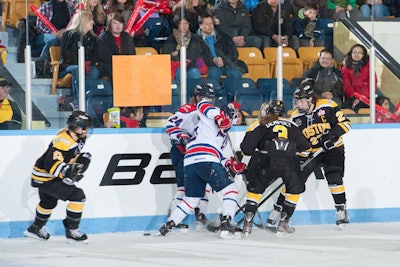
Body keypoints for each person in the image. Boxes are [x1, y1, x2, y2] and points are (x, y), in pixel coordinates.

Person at [159, 84, 247, 239]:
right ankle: (226, 224)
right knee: (231, 190)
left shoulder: (219, 136)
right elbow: (203, 105)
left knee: (191, 199)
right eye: (231, 119)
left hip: (191, 161)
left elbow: (217, 154)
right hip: (201, 158)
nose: (230, 124)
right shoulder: (208, 114)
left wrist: (230, 164)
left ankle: (169, 224)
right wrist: (220, 117)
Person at [267, 78, 352, 230]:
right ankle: (278, 210)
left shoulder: (328, 106)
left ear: (310, 99)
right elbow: (296, 140)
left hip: (333, 149)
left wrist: (331, 136)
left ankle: (341, 210)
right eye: (297, 101)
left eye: (301, 102)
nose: (298, 105)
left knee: (334, 176)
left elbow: (346, 124)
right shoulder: (296, 117)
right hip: (310, 153)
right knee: (293, 180)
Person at [240, 100, 311, 235]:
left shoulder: (260, 124)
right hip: (289, 163)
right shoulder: (292, 124)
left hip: (266, 161)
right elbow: (306, 148)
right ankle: (283, 224)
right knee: (294, 191)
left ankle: (247, 224)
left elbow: (247, 149)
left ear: (269, 111)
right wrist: (295, 158)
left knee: (256, 190)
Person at [24, 110, 94, 243]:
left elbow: (69, 157)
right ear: (75, 127)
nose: (87, 130)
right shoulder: (63, 142)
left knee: (48, 202)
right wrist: (67, 172)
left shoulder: (77, 138)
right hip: (46, 177)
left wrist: (77, 166)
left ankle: (35, 228)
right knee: (78, 197)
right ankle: (72, 231)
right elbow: (50, 165)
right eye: (84, 127)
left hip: (44, 176)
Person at [165, 86, 210, 227]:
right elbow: (171, 123)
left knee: (205, 184)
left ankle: (201, 214)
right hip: (182, 151)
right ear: (196, 97)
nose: (207, 100)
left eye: (209, 97)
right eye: (203, 97)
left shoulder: (209, 112)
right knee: (183, 187)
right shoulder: (187, 109)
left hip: (199, 154)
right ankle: (173, 219)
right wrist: (182, 136)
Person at [59, 11, 100, 109]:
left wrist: (89, 63)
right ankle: (78, 100)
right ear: (83, 21)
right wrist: (80, 63)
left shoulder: (93, 38)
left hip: (87, 65)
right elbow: (65, 54)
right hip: (68, 66)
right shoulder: (68, 35)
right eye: (90, 20)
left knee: (94, 71)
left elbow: (95, 55)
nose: (92, 23)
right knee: (78, 69)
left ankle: (88, 99)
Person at [162, 13, 213, 80]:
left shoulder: (195, 38)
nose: (184, 26)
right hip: (177, 67)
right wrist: (185, 55)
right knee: (181, 73)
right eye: (182, 24)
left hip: (192, 66)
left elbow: (194, 54)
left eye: (186, 23)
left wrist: (178, 53)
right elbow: (168, 54)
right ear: (177, 25)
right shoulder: (171, 38)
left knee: (195, 72)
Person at [198, 15, 245, 82]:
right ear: (200, 26)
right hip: (210, 66)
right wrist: (213, 61)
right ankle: (214, 92)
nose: (210, 26)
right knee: (213, 73)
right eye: (206, 24)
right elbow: (198, 57)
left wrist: (223, 61)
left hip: (226, 65)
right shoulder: (197, 39)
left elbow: (234, 53)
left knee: (235, 73)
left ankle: (235, 92)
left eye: (211, 23)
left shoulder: (223, 36)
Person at [98, 12, 136, 82]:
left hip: (126, 66)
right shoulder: (103, 38)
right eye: (115, 23)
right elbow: (106, 58)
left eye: (120, 23)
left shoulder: (127, 37)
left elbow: (131, 54)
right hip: (109, 68)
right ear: (109, 25)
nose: (118, 26)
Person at [341, 44, 376, 112]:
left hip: (366, 97)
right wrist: (354, 97)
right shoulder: (345, 68)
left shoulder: (369, 67)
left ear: (363, 55)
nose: (357, 54)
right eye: (354, 52)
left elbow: (372, 83)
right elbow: (346, 85)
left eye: (360, 52)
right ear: (351, 54)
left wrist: (362, 97)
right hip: (351, 96)